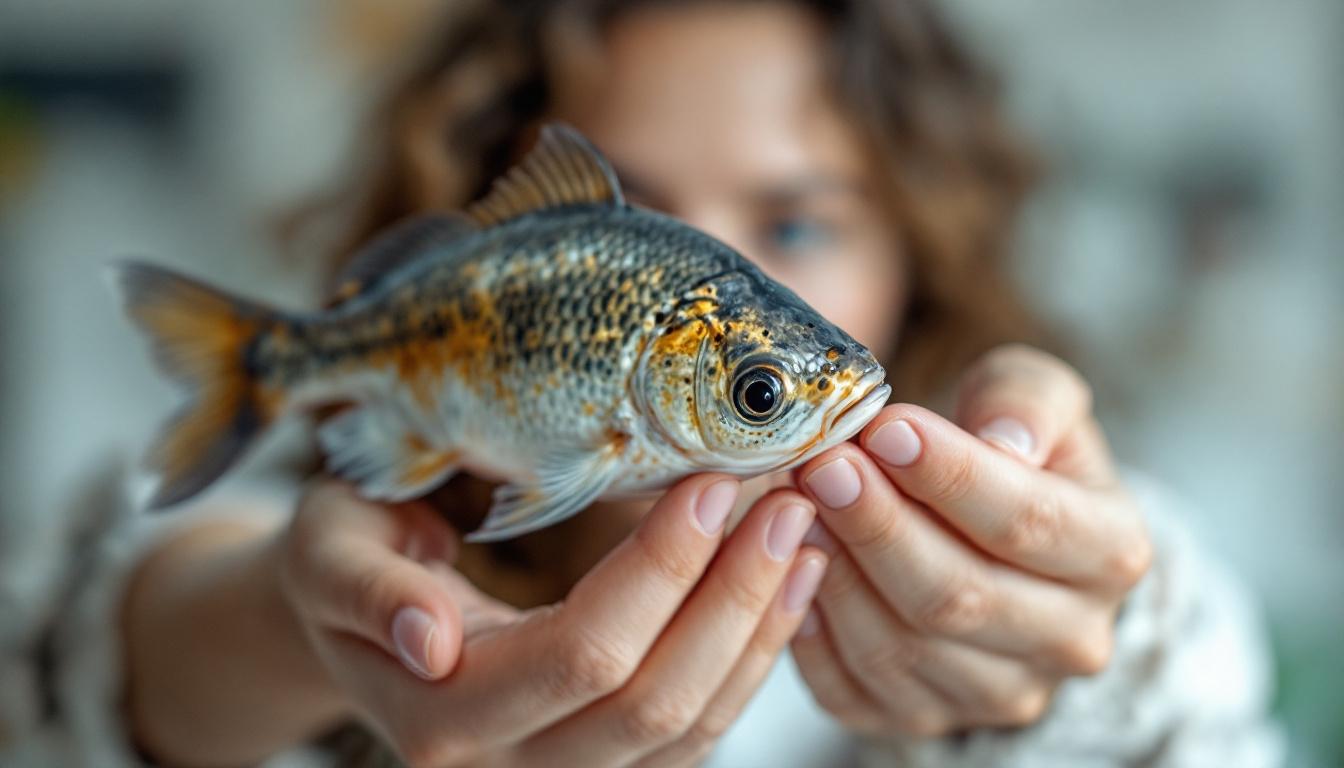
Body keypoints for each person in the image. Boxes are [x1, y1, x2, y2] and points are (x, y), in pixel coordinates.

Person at [3, 1, 1282, 766]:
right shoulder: (345, 514)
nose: (720, 244)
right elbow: (45, 669)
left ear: (917, 251)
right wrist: (266, 626)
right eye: (657, 211)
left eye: (793, 225)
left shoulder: (949, 561)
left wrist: (1093, 655)